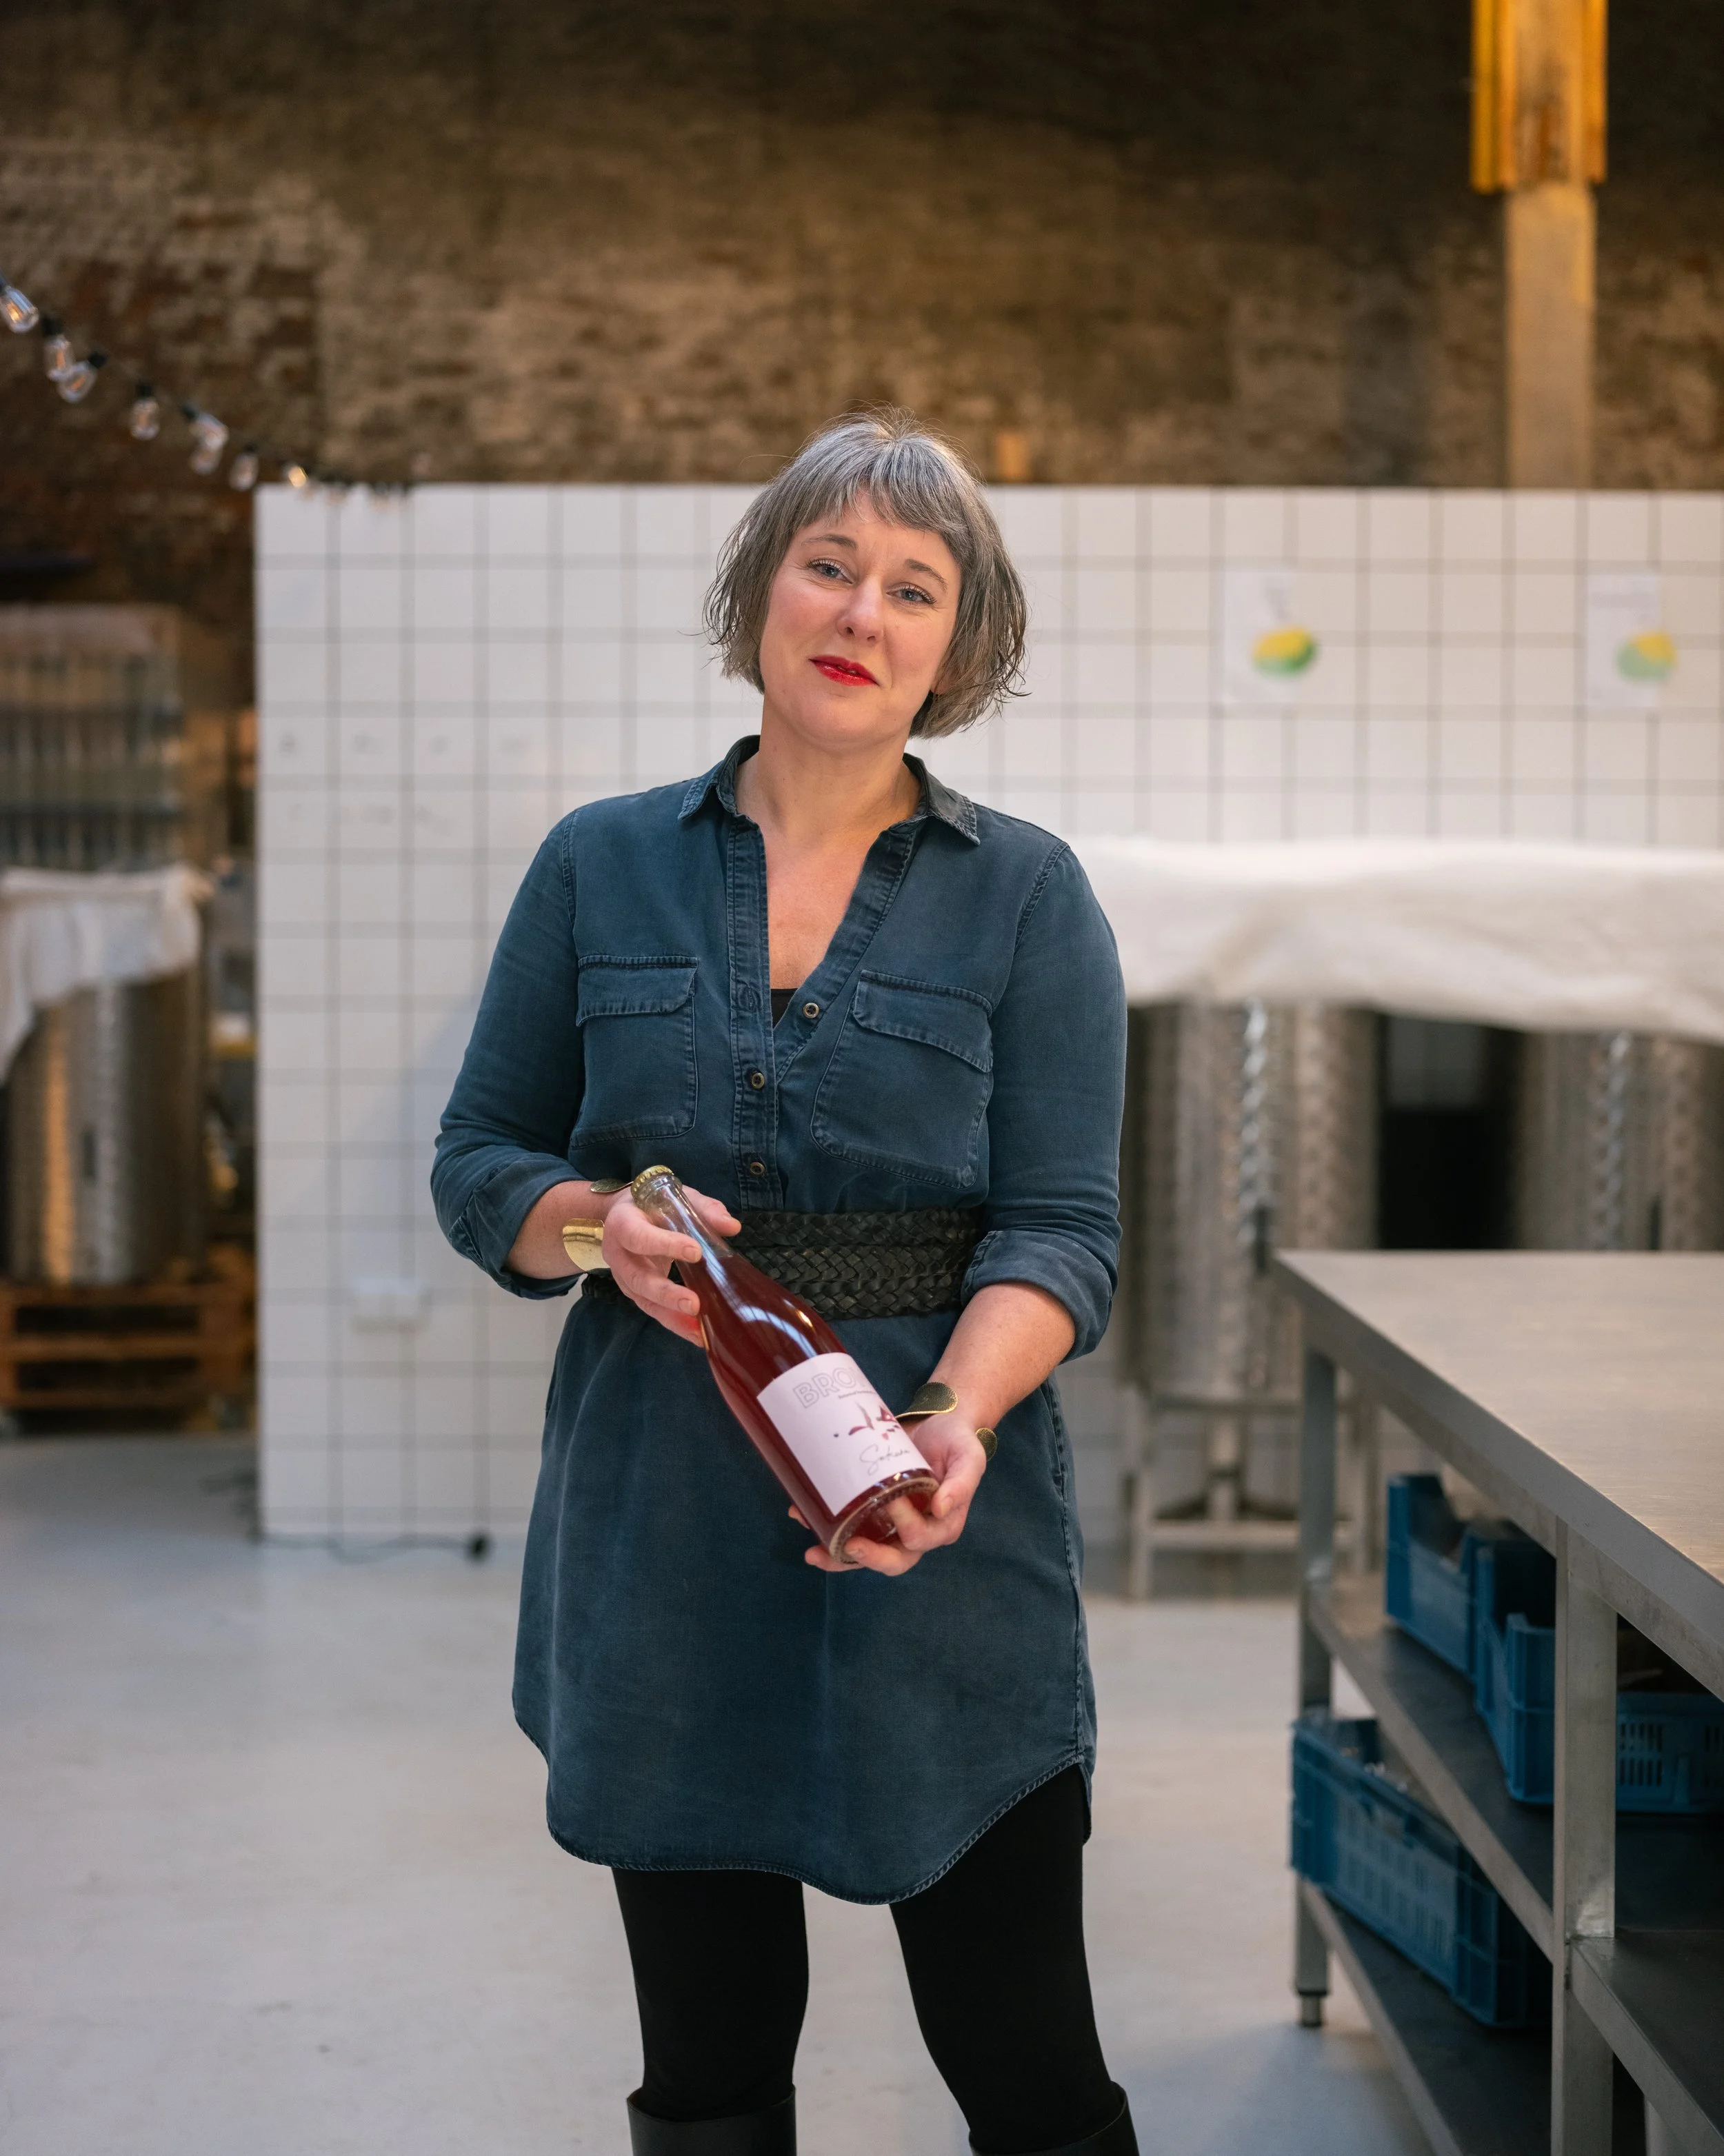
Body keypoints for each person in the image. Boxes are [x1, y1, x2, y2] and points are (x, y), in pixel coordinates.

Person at [432, 412, 1132, 2156]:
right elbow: (479, 1163)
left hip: (930, 1520)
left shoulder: (1027, 897)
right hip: (663, 1527)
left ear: (959, 648)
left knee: (1026, 2063)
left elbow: (1062, 1227)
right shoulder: (602, 862)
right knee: (712, 2070)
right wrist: (601, 1229)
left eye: (915, 586)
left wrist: (955, 1422)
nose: (861, 610)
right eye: (827, 565)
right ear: (760, 594)